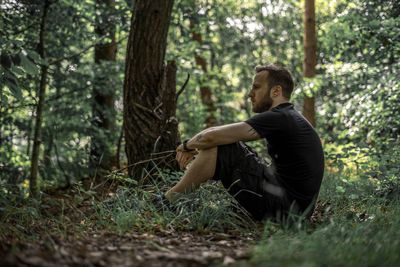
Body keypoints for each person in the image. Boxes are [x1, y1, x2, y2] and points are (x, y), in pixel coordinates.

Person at [165, 64, 324, 221]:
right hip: (294, 209)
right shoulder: (288, 117)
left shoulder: (279, 117)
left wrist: (185, 146)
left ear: (276, 91)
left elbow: (211, 137)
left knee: (223, 147)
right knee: (229, 145)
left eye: (256, 87)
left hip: (286, 211)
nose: (250, 94)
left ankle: (167, 201)